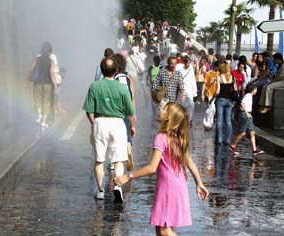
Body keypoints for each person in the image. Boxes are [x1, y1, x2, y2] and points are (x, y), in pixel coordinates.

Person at [114, 102, 209, 236]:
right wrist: (199, 183)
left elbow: (152, 167)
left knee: (164, 231)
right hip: (177, 186)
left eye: (165, 109)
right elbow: (191, 162)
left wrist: (127, 176)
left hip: (168, 188)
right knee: (161, 228)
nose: (161, 109)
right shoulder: (178, 138)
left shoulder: (161, 138)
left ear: (169, 117)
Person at [82, 57, 136, 203]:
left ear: (102, 69)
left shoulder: (94, 86)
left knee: (99, 159)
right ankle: (117, 185)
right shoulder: (122, 88)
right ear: (116, 70)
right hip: (118, 123)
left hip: (100, 122)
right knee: (118, 159)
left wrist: (94, 123)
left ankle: (100, 190)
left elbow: (89, 110)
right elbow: (130, 112)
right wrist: (132, 126)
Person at [114, 53, 136, 171]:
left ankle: (115, 161)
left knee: (116, 136)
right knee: (127, 134)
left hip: (116, 111)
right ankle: (129, 152)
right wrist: (133, 114)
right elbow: (132, 97)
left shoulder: (113, 77)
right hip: (127, 110)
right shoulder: (129, 78)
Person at [229, 84, 264, 156]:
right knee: (243, 133)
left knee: (252, 132)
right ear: (253, 89)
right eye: (256, 89)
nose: (256, 91)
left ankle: (254, 150)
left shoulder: (250, 96)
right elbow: (242, 103)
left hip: (248, 115)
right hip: (245, 115)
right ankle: (233, 145)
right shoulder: (247, 96)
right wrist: (246, 113)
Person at [29, 42, 57, 128]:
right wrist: (55, 84)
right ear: (50, 51)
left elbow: (32, 69)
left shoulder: (37, 59)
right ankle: (44, 122)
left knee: (37, 100)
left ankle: (39, 115)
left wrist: (29, 77)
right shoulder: (51, 61)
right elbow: (51, 73)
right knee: (46, 102)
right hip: (48, 84)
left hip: (37, 83)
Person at [214, 63, 234, 145]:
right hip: (229, 100)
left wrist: (213, 98)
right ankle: (228, 140)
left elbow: (217, 91)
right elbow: (235, 89)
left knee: (219, 120)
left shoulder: (219, 77)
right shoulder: (232, 77)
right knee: (228, 120)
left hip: (220, 99)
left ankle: (219, 140)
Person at [178, 55, 197, 125]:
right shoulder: (179, 70)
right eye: (187, 63)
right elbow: (178, 81)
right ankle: (183, 119)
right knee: (183, 106)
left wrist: (195, 93)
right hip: (182, 91)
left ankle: (189, 120)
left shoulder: (191, 69)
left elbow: (193, 80)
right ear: (184, 63)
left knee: (191, 105)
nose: (189, 64)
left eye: (189, 63)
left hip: (190, 91)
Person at [202, 61, 219, 130]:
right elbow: (204, 84)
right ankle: (206, 123)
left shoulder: (218, 74)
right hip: (209, 93)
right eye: (218, 66)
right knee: (212, 108)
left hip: (216, 94)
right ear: (215, 66)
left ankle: (210, 124)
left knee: (213, 110)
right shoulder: (209, 73)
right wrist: (202, 94)